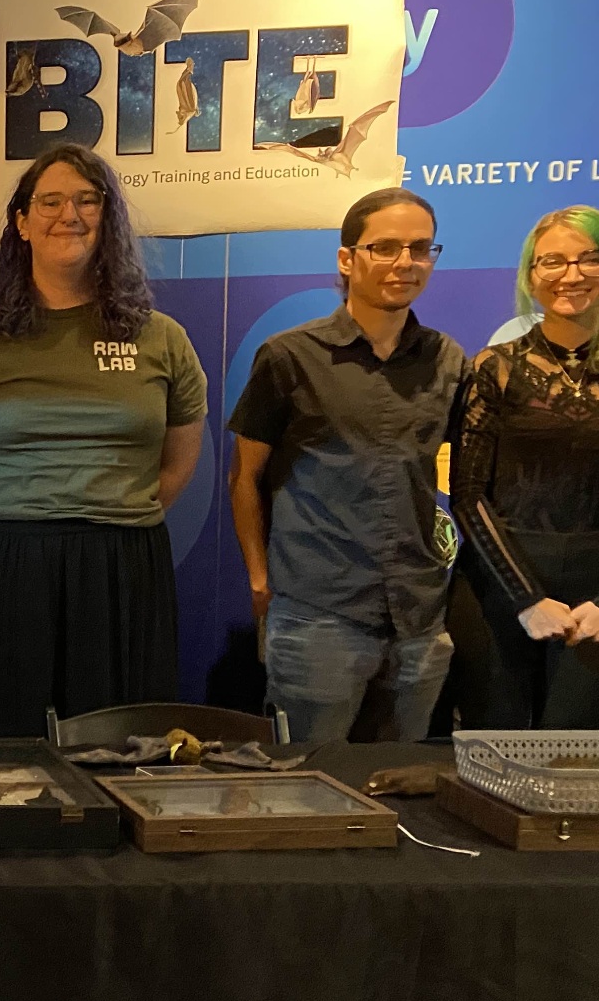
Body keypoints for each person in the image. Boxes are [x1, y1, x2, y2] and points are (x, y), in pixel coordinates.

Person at [0, 143, 206, 736]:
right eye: (50, 202)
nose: (69, 214)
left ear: (107, 217)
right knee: (3, 749)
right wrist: (2, 526)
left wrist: (107, 513)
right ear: (21, 222)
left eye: (87, 200)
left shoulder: (162, 339)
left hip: (121, 566)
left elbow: (176, 465)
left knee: (118, 743)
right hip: (2, 565)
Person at [227, 188, 467, 743]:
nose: (405, 262)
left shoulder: (447, 360)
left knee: (399, 782)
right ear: (346, 258)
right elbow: (245, 480)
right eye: (384, 247)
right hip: (318, 612)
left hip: (419, 617)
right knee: (306, 780)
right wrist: (260, 579)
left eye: (420, 248)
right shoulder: (289, 356)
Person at [447, 206, 599, 726]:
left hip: (594, 599)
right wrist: (527, 599)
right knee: (491, 756)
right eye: (552, 261)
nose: (571, 274)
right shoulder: (495, 366)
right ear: (531, 276)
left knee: (577, 763)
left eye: (589, 258)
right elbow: (467, 494)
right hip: (499, 587)